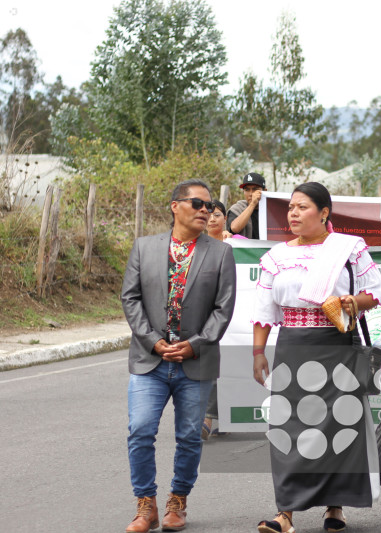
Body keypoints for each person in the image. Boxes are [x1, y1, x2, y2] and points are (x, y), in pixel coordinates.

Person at [251, 182, 381, 533]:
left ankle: (335, 507)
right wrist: (257, 351)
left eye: (302, 207)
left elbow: (378, 292)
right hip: (292, 348)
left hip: (338, 345)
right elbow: (265, 308)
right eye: (291, 208)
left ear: (324, 212)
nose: (293, 213)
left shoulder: (349, 248)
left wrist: (354, 302)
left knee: (339, 424)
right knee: (289, 426)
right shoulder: (277, 257)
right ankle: (285, 512)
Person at [120, 179, 237, 533]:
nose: (206, 210)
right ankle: (146, 505)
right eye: (198, 204)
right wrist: (152, 340)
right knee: (140, 431)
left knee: (188, 436)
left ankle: (177, 502)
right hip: (149, 360)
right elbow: (131, 298)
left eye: (210, 206)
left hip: (195, 361)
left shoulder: (220, 252)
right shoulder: (144, 247)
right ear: (175, 206)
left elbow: (224, 307)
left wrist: (197, 343)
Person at [202, 199, 230, 438]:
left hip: (235, 315)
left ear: (225, 219)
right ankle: (207, 417)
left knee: (232, 366)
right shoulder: (196, 247)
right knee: (207, 362)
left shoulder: (237, 245)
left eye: (217, 214)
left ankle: (228, 415)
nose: (212, 218)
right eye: (209, 214)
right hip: (206, 315)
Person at [228, 172, 267, 239]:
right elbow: (234, 228)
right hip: (246, 249)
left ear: (265, 191)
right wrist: (252, 204)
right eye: (247, 190)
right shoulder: (237, 208)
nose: (251, 194)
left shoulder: (270, 209)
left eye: (255, 189)